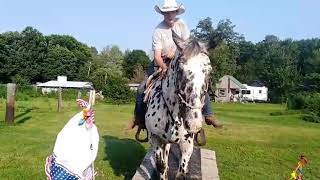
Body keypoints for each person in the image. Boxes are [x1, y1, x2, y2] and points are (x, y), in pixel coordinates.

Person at [128, 0, 222, 130]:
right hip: (161, 63)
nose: (169, 15)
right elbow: (157, 56)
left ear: (176, 12)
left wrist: (176, 55)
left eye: (172, 12)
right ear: (163, 14)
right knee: (142, 87)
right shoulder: (158, 30)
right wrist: (164, 67)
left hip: (180, 61)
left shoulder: (182, 25)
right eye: (166, 13)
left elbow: (188, 47)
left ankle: (208, 114)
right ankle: (139, 119)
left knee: (195, 83)